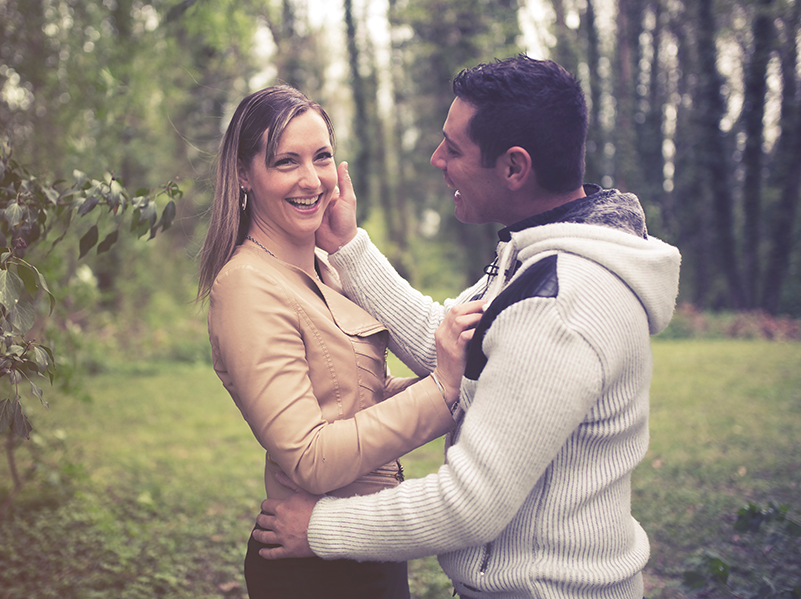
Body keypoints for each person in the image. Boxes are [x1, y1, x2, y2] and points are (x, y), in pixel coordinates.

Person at [252, 56, 682, 599]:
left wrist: (316, 529)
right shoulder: (538, 256)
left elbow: (468, 504)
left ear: (514, 167)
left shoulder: (560, 303)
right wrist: (350, 249)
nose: (438, 160)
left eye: (453, 148)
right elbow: (455, 347)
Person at [197, 85, 484, 599]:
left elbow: (354, 396)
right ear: (244, 174)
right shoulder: (245, 286)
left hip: (365, 545)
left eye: (321, 157)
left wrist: (457, 378)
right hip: (312, 567)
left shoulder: (325, 268)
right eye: (286, 162)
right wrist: (439, 389)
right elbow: (309, 455)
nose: (311, 180)